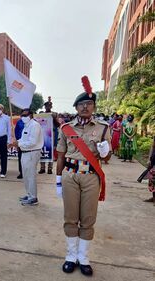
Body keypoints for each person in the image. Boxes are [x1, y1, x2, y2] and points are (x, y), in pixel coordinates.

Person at [56, 77, 112, 276]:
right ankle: (71, 256)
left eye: (89, 104)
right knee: (70, 217)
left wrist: (106, 151)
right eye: (82, 104)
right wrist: (58, 180)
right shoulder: (65, 129)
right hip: (70, 175)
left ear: (94, 106)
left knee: (88, 218)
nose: (85, 107)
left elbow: (107, 157)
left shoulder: (103, 128)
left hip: (91, 176)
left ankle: (83, 257)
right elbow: (60, 155)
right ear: (76, 107)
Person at [18, 109, 43, 206]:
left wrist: (19, 143)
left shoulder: (35, 125)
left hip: (32, 153)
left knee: (31, 176)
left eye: (25, 115)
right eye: (22, 115)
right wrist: (16, 142)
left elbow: (33, 142)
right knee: (26, 175)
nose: (23, 117)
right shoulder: (27, 126)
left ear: (31, 115)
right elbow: (24, 139)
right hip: (25, 153)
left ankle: (33, 197)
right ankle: (29, 194)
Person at [39, 98, 60, 174]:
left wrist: (53, 118)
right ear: (45, 107)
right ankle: (42, 168)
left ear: (51, 107)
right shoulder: (42, 114)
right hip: (44, 135)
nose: (48, 107)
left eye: (49, 106)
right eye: (46, 106)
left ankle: (50, 168)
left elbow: (58, 125)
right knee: (43, 152)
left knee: (50, 152)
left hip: (52, 135)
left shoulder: (55, 114)